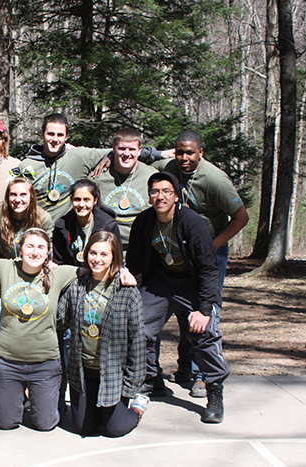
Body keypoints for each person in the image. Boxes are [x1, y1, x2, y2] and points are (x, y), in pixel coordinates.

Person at [127, 172, 229, 423]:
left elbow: (208, 267)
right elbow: (136, 262)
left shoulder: (192, 222)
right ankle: (151, 380)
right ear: (149, 195)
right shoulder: (144, 221)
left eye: (166, 191)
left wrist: (205, 309)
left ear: (176, 196)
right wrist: (133, 292)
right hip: (161, 281)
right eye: (154, 191)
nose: (160, 196)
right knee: (139, 325)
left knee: (203, 333)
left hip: (191, 283)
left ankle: (214, 390)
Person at [153, 130, 248, 396]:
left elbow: (241, 217)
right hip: (177, 249)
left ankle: (202, 376)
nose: (184, 158)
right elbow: (137, 159)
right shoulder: (168, 167)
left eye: (190, 152)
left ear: (200, 153)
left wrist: (212, 246)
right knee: (183, 312)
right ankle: (185, 368)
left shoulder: (215, 179)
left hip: (209, 251)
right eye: (180, 152)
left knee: (206, 311)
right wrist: (104, 159)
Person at [57, 231, 148, 437]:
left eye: (104, 255)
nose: (97, 259)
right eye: (93, 253)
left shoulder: (127, 291)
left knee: (114, 429)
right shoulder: (77, 286)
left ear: (114, 257)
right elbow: (59, 320)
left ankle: (137, 408)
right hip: (82, 372)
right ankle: (97, 411)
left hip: (113, 374)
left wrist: (132, 384)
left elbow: (138, 341)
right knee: (83, 427)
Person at [0, 228, 79, 431]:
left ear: (48, 253)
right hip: (7, 363)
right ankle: (14, 397)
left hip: (44, 363)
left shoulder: (57, 273)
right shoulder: (5, 267)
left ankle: (53, 398)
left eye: (41, 247)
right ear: (20, 249)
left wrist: (123, 271)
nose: (35, 252)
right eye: (30, 246)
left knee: (45, 424)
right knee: (6, 423)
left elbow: (93, 269)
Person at [18, 113, 167, 220]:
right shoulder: (26, 166)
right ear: (42, 134)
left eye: (60, 135)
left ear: (66, 137)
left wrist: (158, 154)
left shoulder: (79, 156)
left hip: (67, 229)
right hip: (38, 230)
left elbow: (123, 149)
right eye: (51, 134)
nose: (55, 139)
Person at [0, 177, 53, 344]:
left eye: (23, 194)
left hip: (33, 273)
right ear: (7, 197)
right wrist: (5, 277)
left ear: (31, 197)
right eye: (13, 194)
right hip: (4, 271)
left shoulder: (43, 218)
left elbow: (45, 252)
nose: (18, 199)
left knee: (32, 317)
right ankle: (1, 360)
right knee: (2, 320)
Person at [95, 128, 158, 251]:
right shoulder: (98, 177)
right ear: (113, 149)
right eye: (122, 148)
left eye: (132, 149)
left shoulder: (152, 176)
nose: (127, 153)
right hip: (107, 249)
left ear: (140, 151)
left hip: (142, 248)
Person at [53, 179, 123, 267]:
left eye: (86, 200)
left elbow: (117, 259)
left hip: (101, 274)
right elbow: (60, 261)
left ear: (95, 200)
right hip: (72, 276)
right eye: (77, 200)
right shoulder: (62, 226)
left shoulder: (108, 225)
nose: (81, 204)